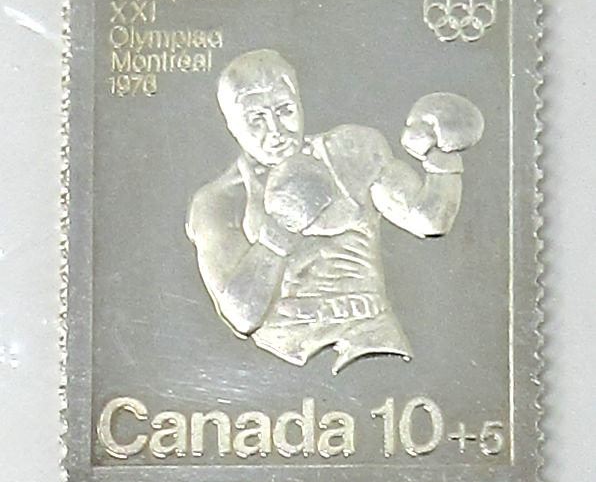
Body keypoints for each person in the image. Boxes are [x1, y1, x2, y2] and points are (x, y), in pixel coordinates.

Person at [186, 49, 483, 374]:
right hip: (283, 356)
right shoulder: (219, 201)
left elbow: (429, 218)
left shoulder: (351, 152)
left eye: (285, 110)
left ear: (299, 104)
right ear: (231, 124)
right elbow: (241, 316)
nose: (276, 130)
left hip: (374, 342)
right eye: (256, 119)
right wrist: (280, 231)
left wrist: (442, 159)